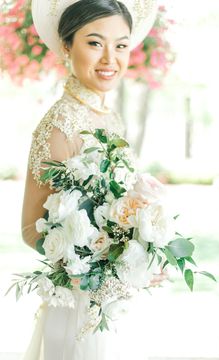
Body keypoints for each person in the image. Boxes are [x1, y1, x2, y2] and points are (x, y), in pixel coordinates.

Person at [21, 0, 157, 359]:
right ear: (67, 46)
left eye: (121, 45)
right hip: (77, 305)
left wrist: (143, 246)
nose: (110, 59)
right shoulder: (58, 124)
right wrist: (99, 264)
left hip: (113, 307)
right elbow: (32, 229)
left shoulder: (110, 118)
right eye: (95, 43)